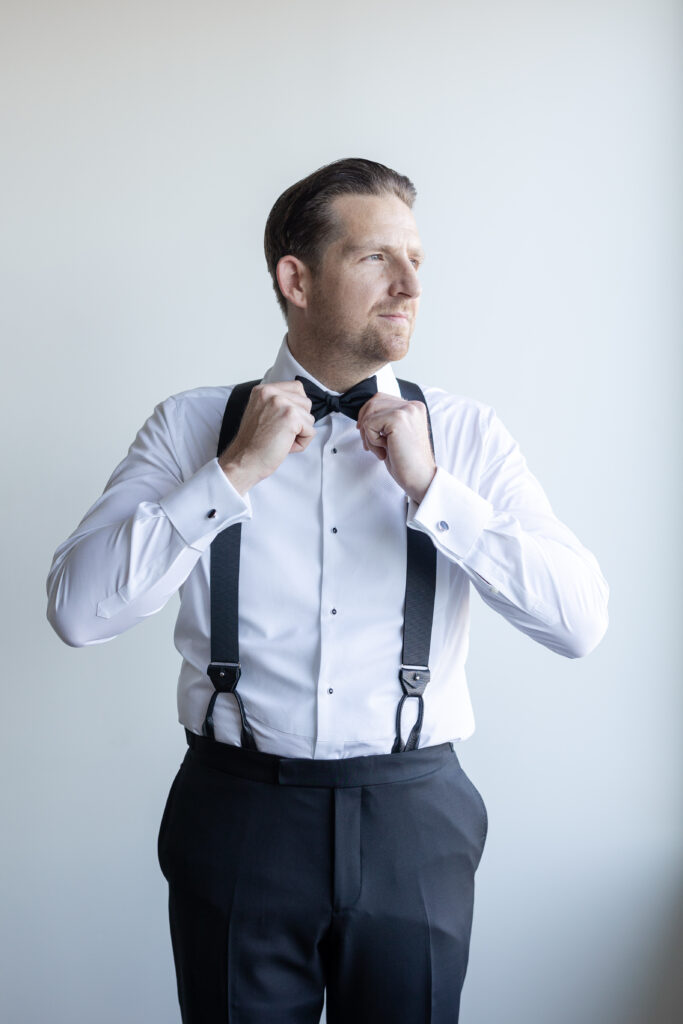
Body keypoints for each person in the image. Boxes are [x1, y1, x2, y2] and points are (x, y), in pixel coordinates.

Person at [46, 157, 609, 1023]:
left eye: (417, 258)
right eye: (375, 257)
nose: (410, 282)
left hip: (414, 819)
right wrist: (230, 475)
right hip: (236, 812)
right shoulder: (191, 426)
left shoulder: (464, 434)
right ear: (295, 278)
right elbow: (78, 613)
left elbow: (579, 622)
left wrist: (433, 493)